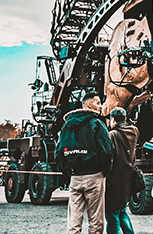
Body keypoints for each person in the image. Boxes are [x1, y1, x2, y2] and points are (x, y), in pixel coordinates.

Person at [56, 92, 113, 234]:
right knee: (96, 221)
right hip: (94, 176)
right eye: (98, 102)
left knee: (74, 220)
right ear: (88, 105)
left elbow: (58, 153)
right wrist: (103, 171)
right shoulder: (96, 123)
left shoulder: (67, 126)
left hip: (75, 178)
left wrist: (68, 172)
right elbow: (106, 151)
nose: (100, 106)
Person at [105, 107, 139, 234]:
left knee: (112, 215)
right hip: (128, 178)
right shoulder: (134, 131)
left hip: (114, 179)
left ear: (113, 119)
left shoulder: (111, 135)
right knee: (122, 211)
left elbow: (109, 157)